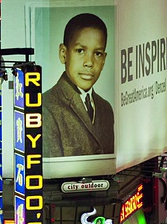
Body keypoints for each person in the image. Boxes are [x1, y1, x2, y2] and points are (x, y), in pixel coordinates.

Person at [43, 13, 114, 157]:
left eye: (98, 53)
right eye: (80, 51)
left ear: (104, 60)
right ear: (64, 54)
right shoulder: (46, 108)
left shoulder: (106, 109)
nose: (89, 62)